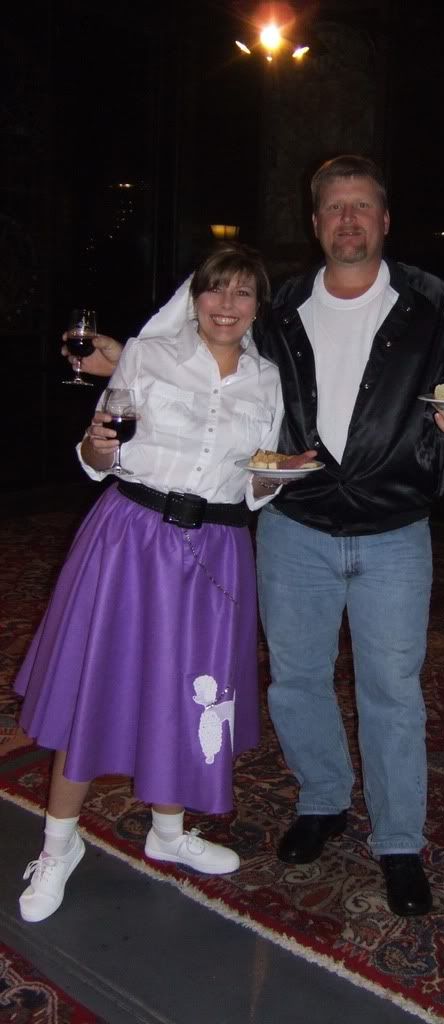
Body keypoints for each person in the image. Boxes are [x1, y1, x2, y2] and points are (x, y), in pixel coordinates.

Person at [65, 156, 444, 917]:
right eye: (335, 207)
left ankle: (399, 842)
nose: (348, 220)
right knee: (297, 679)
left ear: (385, 220)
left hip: (394, 527)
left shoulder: (431, 302)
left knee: (392, 689)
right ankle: (323, 800)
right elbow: (214, 349)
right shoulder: (284, 304)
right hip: (296, 525)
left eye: (361, 206)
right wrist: (119, 355)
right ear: (316, 222)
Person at [14, 243, 312, 924]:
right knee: (96, 686)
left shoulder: (267, 380)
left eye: (242, 293)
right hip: (131, 536)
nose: (226, 305)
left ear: (257, 307)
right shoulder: (148, 355)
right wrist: (96, 447)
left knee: (191, 688)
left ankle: (169, 833)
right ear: (194, 297)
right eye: (215, 290)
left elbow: (254, 480)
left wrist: (280, 476)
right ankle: (58, 847)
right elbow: (98, 452)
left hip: (217, 547)